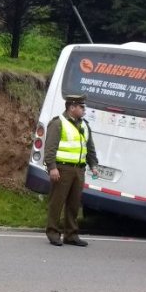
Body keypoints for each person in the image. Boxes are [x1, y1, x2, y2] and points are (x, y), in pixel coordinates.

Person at [43, 94, 99, 247]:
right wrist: (52, 167)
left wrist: (93, 165)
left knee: (74, 204)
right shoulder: (58, 123)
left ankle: (71, 234)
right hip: (62, 168)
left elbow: (90, 148)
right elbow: (50, 148)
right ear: (71, 107)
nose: (84, 110)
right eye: (81, 107)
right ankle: (53, 232)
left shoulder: (84, 125)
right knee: (57, 202)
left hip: (78, 170)